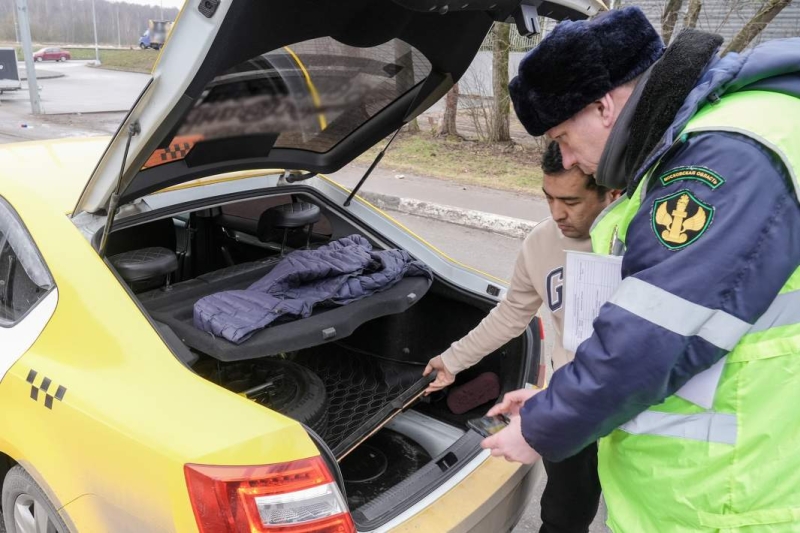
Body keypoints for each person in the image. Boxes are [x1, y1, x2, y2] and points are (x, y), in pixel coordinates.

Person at [480, 6, 800, 532]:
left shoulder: (721, 158)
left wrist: (541, 424)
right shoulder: (713, 136)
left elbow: (653, 337)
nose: (572, 160)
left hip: (735, 500)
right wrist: (555, 397)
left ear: (604, 106)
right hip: (724, 486)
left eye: (562, 137)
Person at [424, 141, 618, 533]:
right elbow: (511, 314)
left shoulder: (641, 241)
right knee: (564, 514)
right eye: (548, 198)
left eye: (571, 201)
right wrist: (452, 360)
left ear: (611, 194)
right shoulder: (541, 242)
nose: (556, 214)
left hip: (634, 407)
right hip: (569, 398)